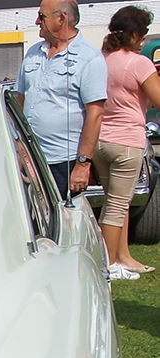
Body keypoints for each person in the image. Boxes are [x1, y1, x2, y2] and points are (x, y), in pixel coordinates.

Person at [15, 0, 106, 197]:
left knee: (63, 223)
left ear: (61, 18)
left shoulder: (89, 59)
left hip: (64, 163)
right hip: (30, 159)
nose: (37, 21)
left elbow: (95, 114)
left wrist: (82, 164)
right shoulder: (33, 53)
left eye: (42, 16)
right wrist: (19, 149)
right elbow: (19, 103)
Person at [95, 4, 160, 277]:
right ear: (134, 34)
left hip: (100, 140)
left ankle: (123, 256)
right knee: (118, 205)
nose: (144, 38)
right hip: (126, 140)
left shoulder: (102, 59)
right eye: (143, 32)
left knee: (116, 200)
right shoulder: (139, 63)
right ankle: (108, 265)